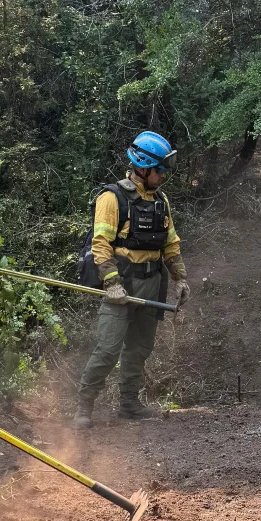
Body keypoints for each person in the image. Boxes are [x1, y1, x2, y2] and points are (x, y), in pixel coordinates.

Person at [74, 131, 190, 428]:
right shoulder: (112, 198)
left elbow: (171, 244)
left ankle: (128, 404)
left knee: (139, 348)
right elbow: (100, 245)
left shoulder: (161, 201)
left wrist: (180, 278)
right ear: (143, 166)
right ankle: (84, 406)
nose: (164, 175)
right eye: (160, 169)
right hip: (122, 284)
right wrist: (111, 284)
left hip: (152, 284)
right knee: (108, 349)